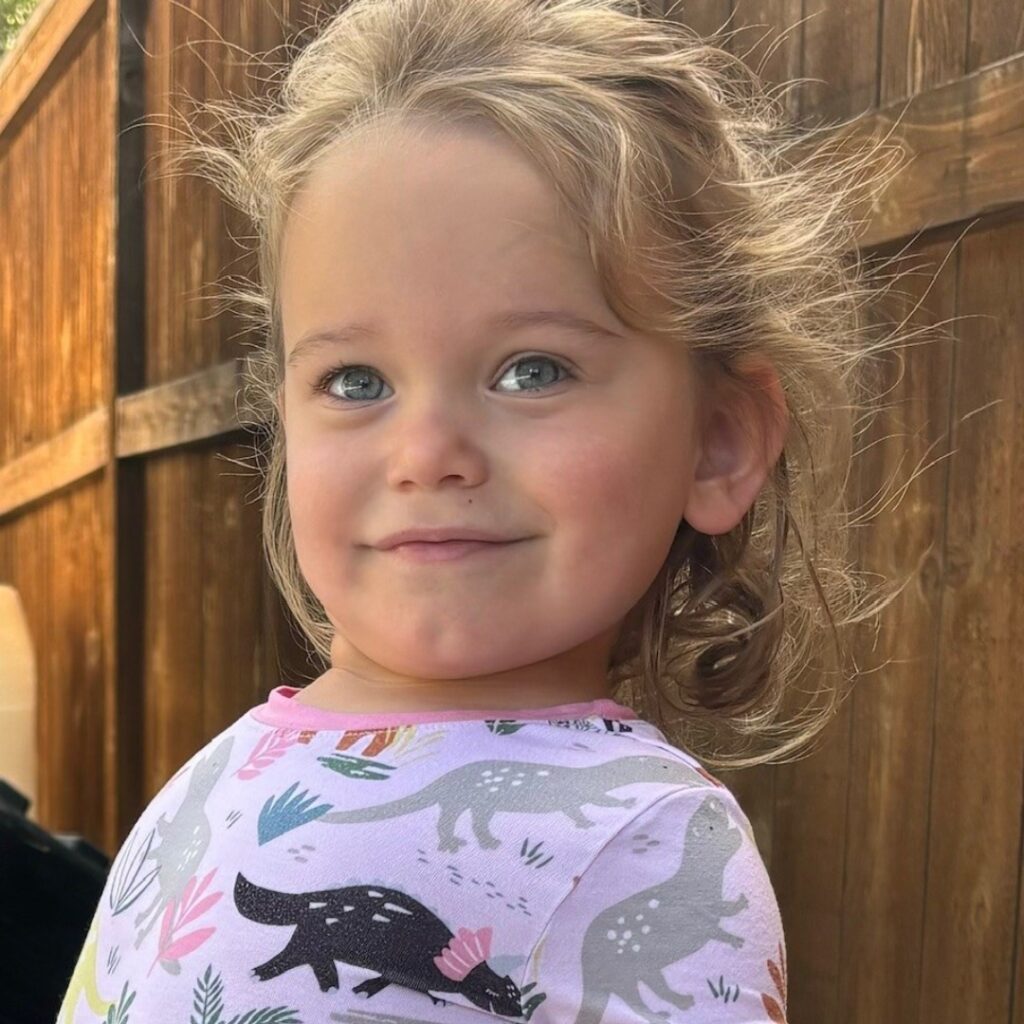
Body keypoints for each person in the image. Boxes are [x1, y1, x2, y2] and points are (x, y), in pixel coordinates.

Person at [58, 0, 916, 1020]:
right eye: (355, 380)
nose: (426, 454)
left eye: (531, 369)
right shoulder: (222, 771)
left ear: (718, 440)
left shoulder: (645, 843)